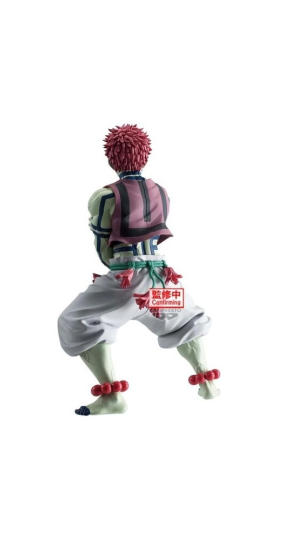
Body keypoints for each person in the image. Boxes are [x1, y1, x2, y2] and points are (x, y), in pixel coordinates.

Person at [58, 124, 220, 416]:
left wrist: (116, 275)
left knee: (76, 320)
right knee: (185, 321)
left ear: (111, 158)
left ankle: (112, 397)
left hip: (128, 278)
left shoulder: (104, 196)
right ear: (145, 155)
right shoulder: (162, 192)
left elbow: (104, 248)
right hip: (162, 275)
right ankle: (207, 382)